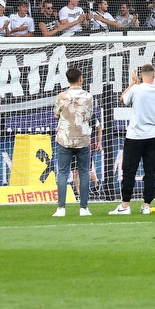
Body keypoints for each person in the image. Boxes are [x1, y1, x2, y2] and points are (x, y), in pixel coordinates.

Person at [109, 64, 155, 216]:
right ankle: (146, 205)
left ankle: (125, 205)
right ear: (153, 75)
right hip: (152, 135)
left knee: (129, 171)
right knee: (149, 171)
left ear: (141, 75)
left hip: (135, 136)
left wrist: (133, 82)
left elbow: (123, 99)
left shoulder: (136, 89)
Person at [52, 67, 94, 217]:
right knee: (83, 172)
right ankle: (84, 208)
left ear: (68, 80)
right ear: (80, 78)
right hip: (82, 138)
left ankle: (61, 208)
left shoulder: (61, 96)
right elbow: (88, 116)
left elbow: (56, 115)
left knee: (63, 172)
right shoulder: (88, 96)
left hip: (65, 138)